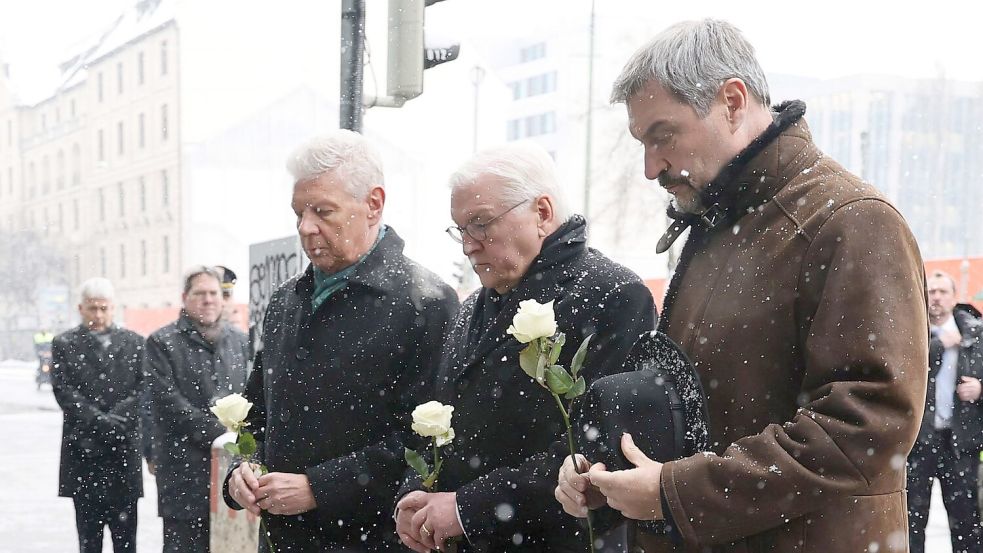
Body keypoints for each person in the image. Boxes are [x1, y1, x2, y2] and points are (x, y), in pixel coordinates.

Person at [554, 19, 928, 552]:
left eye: (663, 135)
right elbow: (694, 402)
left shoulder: (851, 222)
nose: (649, 167)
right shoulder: (718, 223)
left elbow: (869, 425)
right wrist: (610, 473)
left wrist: (675, 493)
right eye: (642, 142)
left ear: (732, 101)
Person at [395, 142, 655, 552]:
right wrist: (416, 492)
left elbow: (598, 450)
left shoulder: (613, 295)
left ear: (542, 213)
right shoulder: (471, 309)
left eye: (481, 224)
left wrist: (468, 508)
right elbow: (436, 418)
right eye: (460, 229)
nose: (468, 245)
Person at [222, 130, 459, 551]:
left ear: (373, 204)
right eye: (298, 212)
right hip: (282, 539)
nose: (305, 227)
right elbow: (256, 412)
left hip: (370, 540)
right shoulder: (285, 301)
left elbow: (426, 441)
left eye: (323, 211)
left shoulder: (425, 302)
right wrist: (242, 468)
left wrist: (320, 488)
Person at [145, 265, 249, 552]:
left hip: (233, 475)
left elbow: (253, 395)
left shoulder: (240, 341)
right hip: (183, 475)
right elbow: (168, 403)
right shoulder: (161, 343)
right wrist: (219, 433)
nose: (208, 299)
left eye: (214, 293)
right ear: (184, 297)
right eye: (200, 293)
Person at [50, 277, 145, 553]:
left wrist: (117, 418)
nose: (99, 315)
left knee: (126, 541)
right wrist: (98, 420)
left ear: (114, 308)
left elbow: (142, 389)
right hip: (84, 455)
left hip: (122, 456)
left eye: (104, 308)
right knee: (89, 542)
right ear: (80, 308)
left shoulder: (135, 344)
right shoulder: (64, 343)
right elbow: (63, 391)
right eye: (92, 308)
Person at [907, 271, 983, 552]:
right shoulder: (911, 335)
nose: (936, 297)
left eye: (942, 292)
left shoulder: (976, 334)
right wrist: (939, 345)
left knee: (966, 520)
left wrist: (980, 388)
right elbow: (904, 373)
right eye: (931, 292)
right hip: (920, 442)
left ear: (954, 298)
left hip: (961, 443)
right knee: (913, 519)